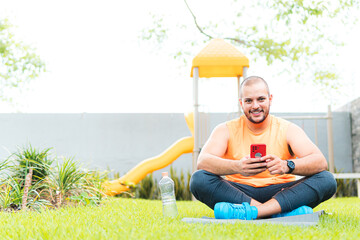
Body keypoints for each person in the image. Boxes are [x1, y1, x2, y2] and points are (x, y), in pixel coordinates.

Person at [189, 76, 337, 220]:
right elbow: (203, 162)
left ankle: (255, 212)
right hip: (239, 192)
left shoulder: (288, 129)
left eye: (261, 99)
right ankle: (278, 213)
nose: (255, 106)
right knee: (198, 179)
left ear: (270, 99)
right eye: (248, 101)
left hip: (282, 191)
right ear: (241, 103)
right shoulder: (225, 129)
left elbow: (320, 162)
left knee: (327, 179)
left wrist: (286, 165)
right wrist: (237, 166)